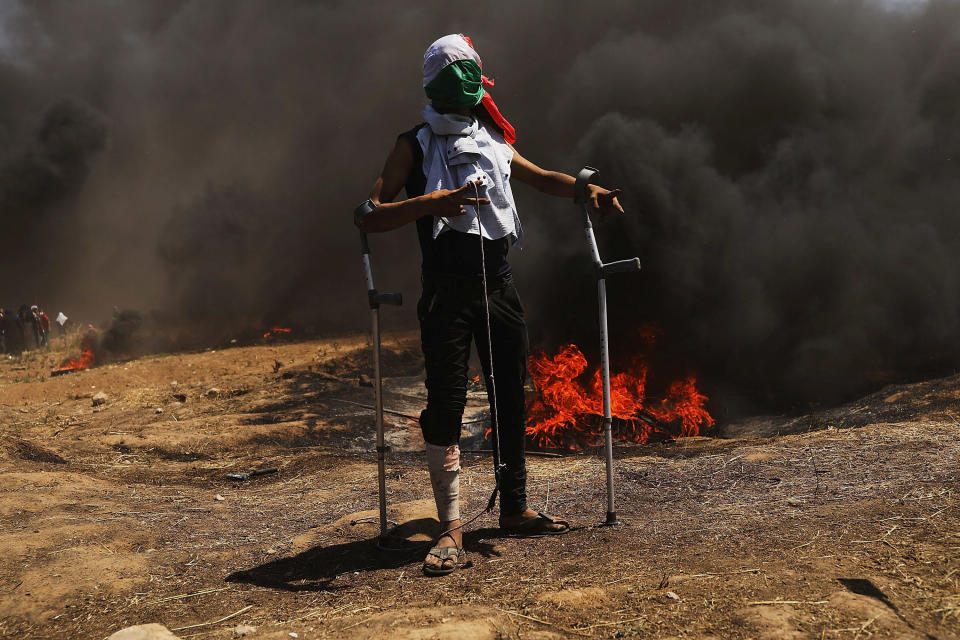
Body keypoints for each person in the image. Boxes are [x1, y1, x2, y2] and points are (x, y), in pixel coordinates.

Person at [362, 34, 623, 576]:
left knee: (511, 395)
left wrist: (584, 190)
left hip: (499, 288)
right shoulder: (413, 144)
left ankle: (514, 508)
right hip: (447, 296)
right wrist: (434, 202)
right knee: (447, 406)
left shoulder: (491, 139)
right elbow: (370, 214)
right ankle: (451, 528)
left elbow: (538, 176)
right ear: (443, 85)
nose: (475, 88)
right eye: (466, 77)